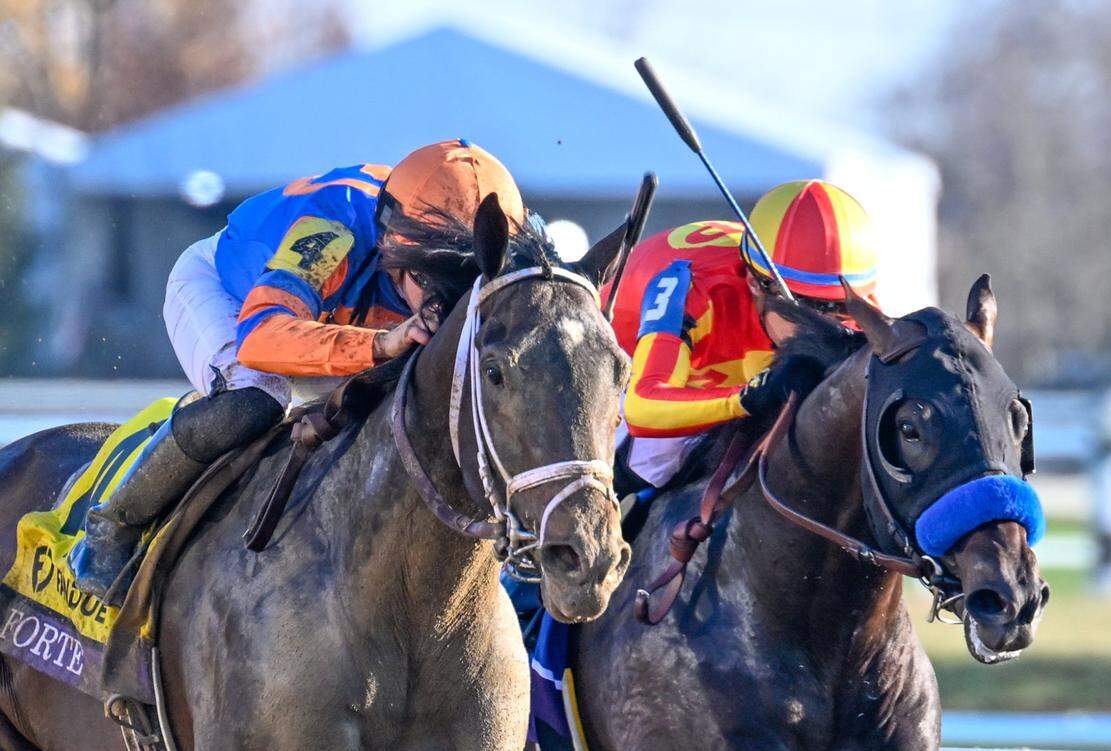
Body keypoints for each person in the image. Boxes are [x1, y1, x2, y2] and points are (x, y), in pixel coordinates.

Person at [69, 139, 526, 598]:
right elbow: (260, 339)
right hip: (231, 297)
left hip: (338, 316)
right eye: (434, 285)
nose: (442, 307)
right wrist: (382, 343)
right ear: (393, 247)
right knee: (253, 400)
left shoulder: (484, 243)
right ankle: (113, 525)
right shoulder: (330, 232)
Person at [605, 179, 879, 494]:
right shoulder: (693, 286)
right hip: (622, 364)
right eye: (805, 306)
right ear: (754, 282)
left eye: (837, 307)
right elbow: (644, 407)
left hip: (727, 366)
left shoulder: (857, 301)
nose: (824, 325)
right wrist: (744, 398)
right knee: (658, 455)